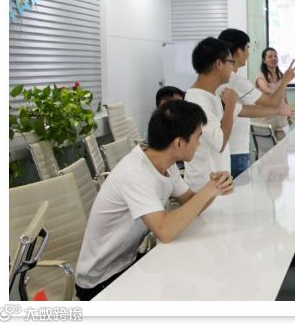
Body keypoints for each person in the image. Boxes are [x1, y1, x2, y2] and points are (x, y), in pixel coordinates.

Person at [74, 99, 234, 301]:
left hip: (127, 263)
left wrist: (214, 188)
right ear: (178, 143)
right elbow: (164, 231)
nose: (199, 144)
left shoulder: (166, 165)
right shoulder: (136, 173)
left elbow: (191, 203)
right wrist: (208, 191)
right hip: (101, 281)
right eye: (197, 138)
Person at [217, 28, 295, 178]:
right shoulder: (238, 80)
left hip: (231, 149)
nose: (249, 52)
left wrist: (280, 111)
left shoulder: (224, 79)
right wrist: (286, 80)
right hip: (235, 150)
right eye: (247, 47)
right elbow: (272, 101)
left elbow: (243, 110)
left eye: (275, 56)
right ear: (239, 52)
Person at [183, 37, 239, 192]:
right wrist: (230, 106)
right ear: (219, 64)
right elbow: (219, 143)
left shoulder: (210, 95)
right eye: (231, 62)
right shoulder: (198, 100)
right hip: (204, 187)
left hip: (216, 184)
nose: (232, 67)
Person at [254, 47, 293, 141]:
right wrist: (281, 87)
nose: (273, 58)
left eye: (275, 56)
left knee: (284, 147)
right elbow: (266, 90)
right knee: (267, 147)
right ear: (264, 60)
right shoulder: (260, 76)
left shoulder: (281, 76)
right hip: (266, 118)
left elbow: (284, 96)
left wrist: (288, 115)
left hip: (282, 118)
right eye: (270, 56)